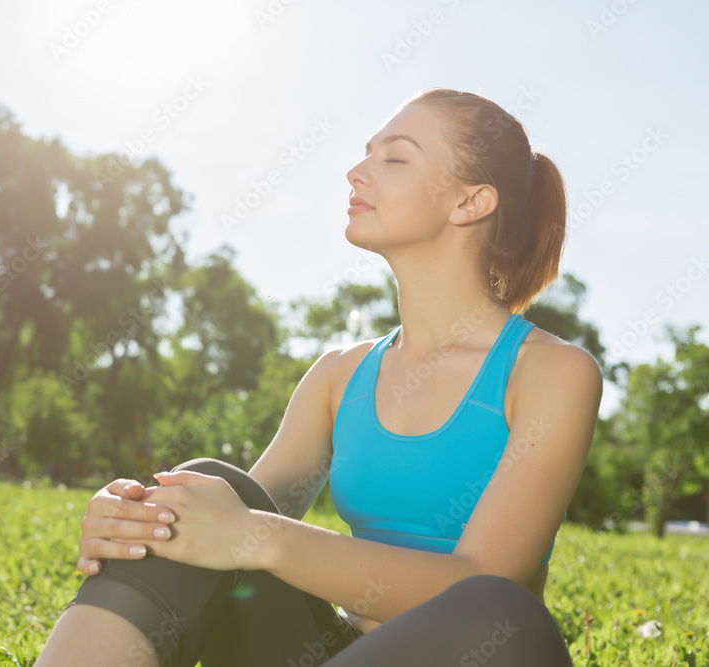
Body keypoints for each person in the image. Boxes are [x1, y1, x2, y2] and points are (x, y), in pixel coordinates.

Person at [33, 87, 603, 666]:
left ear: (470, 202)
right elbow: (228, 519)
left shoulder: (551, 373)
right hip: (326, 652)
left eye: (395, 158)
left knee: (500, 609)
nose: (357, 172)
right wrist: (145, 517)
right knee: (198, 485)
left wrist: (261, 537)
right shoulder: (339, 375)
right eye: (366, 153)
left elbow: (485, 579)